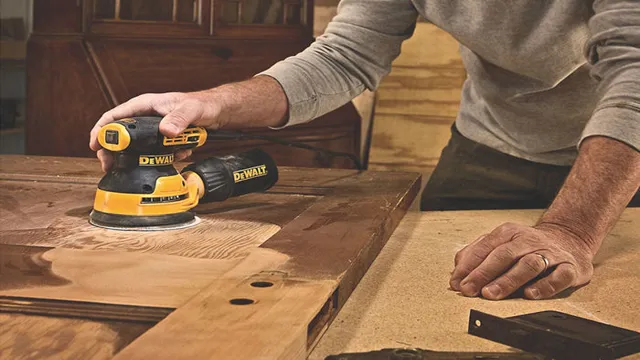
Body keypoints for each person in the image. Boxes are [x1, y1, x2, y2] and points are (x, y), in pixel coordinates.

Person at [89, 1, 640, 302]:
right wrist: (210, 104)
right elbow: (344, 57)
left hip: (626, 159)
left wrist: (570, 231)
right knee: (441, 297)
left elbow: (635, 75)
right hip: (491, 142)